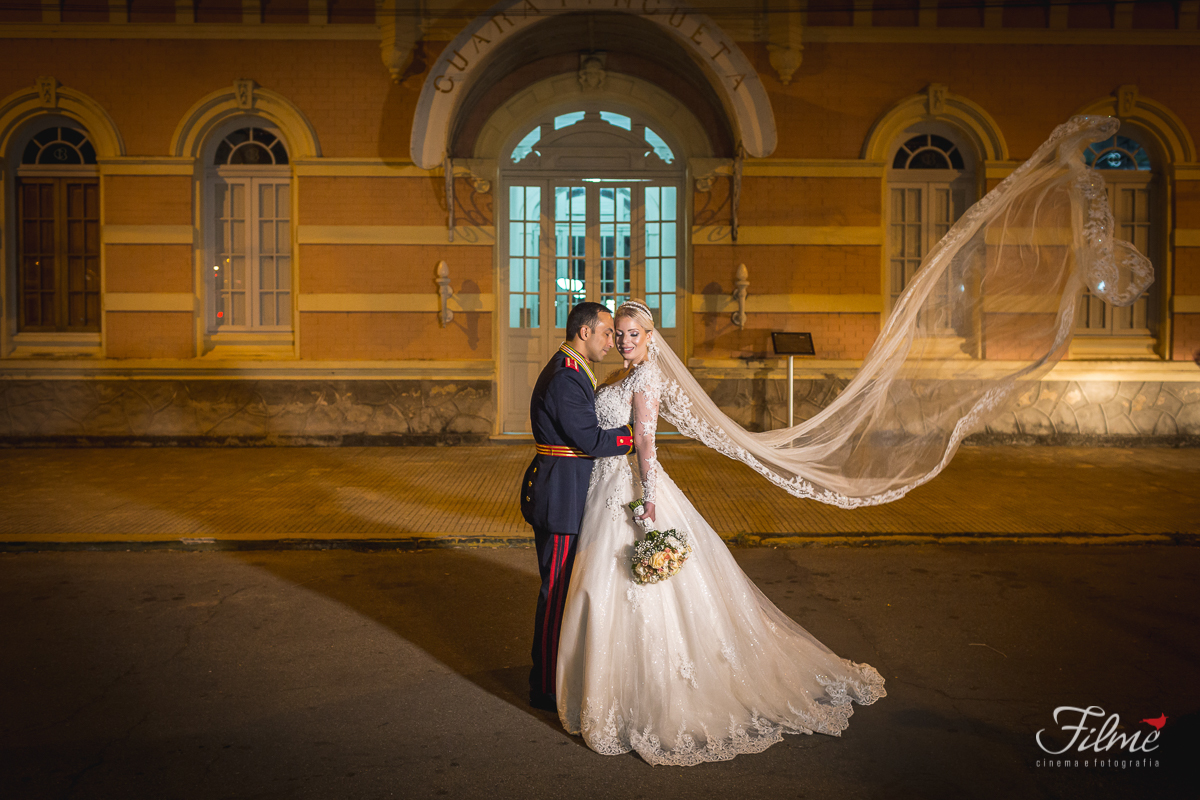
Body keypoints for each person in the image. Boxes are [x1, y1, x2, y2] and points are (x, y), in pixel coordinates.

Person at [552, 116, 1154, 765]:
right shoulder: (628, 372)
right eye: (620, 334)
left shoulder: (644, 382)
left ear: (650, 339)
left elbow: (646, 445)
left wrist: (645, 502)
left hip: (633, 490)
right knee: (617, 592)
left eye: (633, 334)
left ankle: (652, 699)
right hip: (610, 485)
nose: (624, 340)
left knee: (640, 594)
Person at [520, 301, 634, 712]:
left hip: (565, 490)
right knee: (556, 593)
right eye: (607, 332)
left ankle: (553, 676)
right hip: (562, 497)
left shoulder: (572, 370)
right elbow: (589, 439)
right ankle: (547, 685)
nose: (613, 341)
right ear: (584, 333)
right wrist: (632, 435)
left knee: (563, 588)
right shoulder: (567, 379)